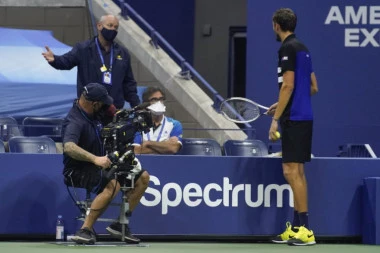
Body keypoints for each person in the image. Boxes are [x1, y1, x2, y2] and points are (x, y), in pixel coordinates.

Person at [62, 82, 149, 245]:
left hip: (104, 164)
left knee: (143, 178)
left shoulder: (96, 113)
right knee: (113, 184)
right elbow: (69, 147)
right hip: (78, 170)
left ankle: (119, 225)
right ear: (93, 103)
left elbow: (115, 115)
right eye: (102, 102)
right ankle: (85, 230)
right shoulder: (74, 121)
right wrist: (95, 159)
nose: (105, 105)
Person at [267, 8, 318, 246]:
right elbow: (312, 87)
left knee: (290, 171)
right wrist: (280, 104)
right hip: (302, 115)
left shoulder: (287, 48)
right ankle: (298, 227)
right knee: (297, 172)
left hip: (293, 119)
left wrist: (276, 118)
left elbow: (288, 86)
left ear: (277, 25)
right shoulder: (302, 48)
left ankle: (306, 230)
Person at [42, 14, 140, 109]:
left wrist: (137, 106)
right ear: (99, 26)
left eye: (116, 27)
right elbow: (66, 61)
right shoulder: (83, 49)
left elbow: (128, 84)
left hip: (114, 110)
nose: (113, 29)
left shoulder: (123, 53)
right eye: (110, 25)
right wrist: (55, 60)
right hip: (89, 110)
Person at [133, 86, 182, 154]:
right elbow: (136, 150)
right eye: (154, 100)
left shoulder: (174, 124)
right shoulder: (139, 124)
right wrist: (165, 145)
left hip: (165, 163)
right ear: (146, 104)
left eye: (161, 99)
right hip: (144, 162)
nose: (158, 103)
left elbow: (173, 148)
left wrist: (148, 143)